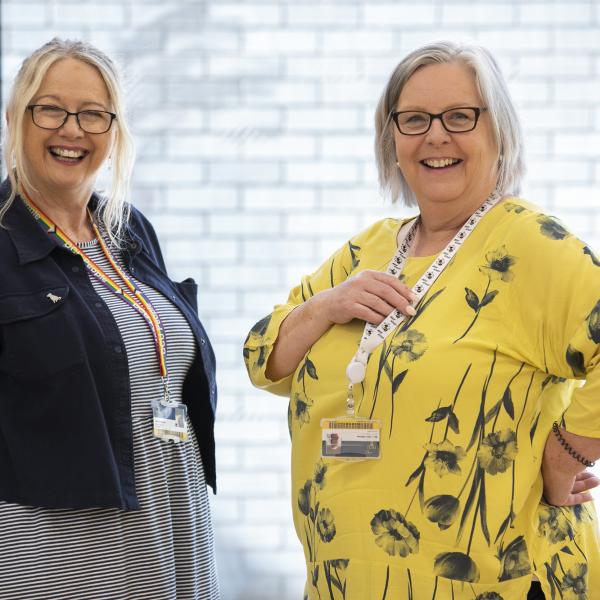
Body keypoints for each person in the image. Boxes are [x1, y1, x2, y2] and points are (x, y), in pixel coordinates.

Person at [244, 40, 600, 599]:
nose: (436, 136)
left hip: (496, 582)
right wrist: (326, 305)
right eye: (413, 120)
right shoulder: (368, 250)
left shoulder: (528, 244)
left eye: (460, 116)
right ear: (392, 139)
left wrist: (567, 453)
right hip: (348, 582)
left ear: (498, 131)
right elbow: (264, 362)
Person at [0, 38, 219, 599]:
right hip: (57, 558)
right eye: (50, 109)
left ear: (114, 130)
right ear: (15, 118)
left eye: (94, 114)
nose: (71, 129)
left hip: (170, 525)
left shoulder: (129, 230)